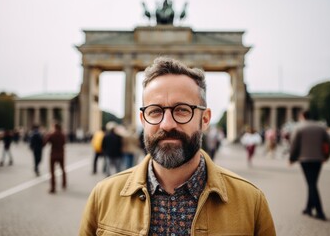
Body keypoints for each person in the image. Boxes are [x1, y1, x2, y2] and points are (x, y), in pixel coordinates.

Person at [79, 57, 275, 235]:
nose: (167, 124)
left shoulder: (252, 202)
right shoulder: (102, 197)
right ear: (143, 119)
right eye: (155, 111)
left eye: (182, 110)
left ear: (205, 119)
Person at [289, 110, 330, 221]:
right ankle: (308, 208)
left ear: (302, 116)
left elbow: (294, 144)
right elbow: (329, 142)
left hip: (305, 159)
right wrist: (326, 156)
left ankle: (320, 211)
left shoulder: (299, 127)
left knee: (311, 184)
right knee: (312, 183)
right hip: (318, 159)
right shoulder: (320, 127)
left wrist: (292, 158)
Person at [44, 123, 66, 194]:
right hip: (61, 154)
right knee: (63, 169)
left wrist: (48, 134)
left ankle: (53, 187)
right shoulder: (62, 135)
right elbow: (64, 142)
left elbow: (45, 142)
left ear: (54, 127)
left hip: (53, 155)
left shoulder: (52, 134)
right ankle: (64, 183)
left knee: (52, 171)